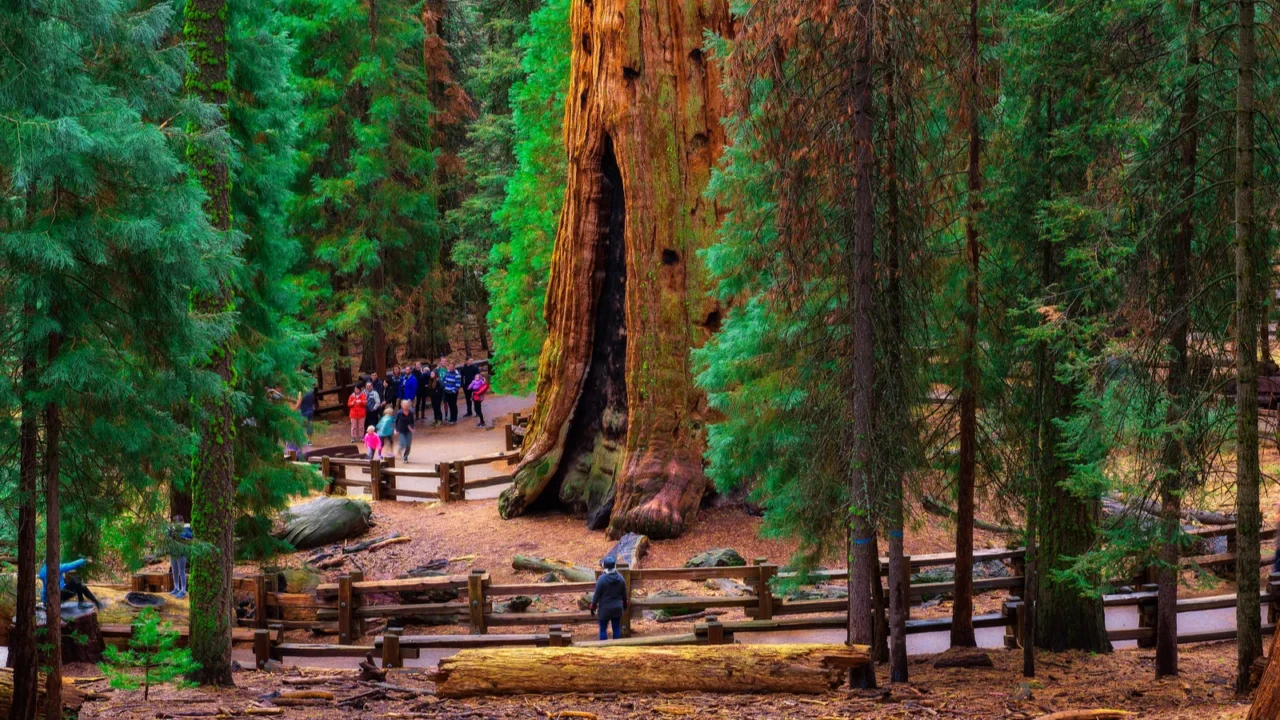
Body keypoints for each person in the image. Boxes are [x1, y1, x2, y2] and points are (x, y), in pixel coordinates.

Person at [589, 555, 629, 641]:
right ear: (614, 565)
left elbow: (596, 596)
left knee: (603, 629)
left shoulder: (601, 579)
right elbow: (624, 595)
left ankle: (604, 649)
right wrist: (625, 605)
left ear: (604, 566)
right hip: (617, 608)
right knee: (616, 628)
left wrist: (593, 607)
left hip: (604, 609)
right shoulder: (620, 578)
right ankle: (616, 649)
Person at [168, 515, 192, 599]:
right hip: (173, 552)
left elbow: (190, 535)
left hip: (182, 552)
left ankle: (183, 590)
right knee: (174, 571)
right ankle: (176, 588)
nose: (177, 523)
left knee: (181, 571)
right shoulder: (172, 528)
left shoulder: (187, 527)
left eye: (179, 521)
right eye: (176, 522)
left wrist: (180, 534)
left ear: (182, 521)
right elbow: (168, 537)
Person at [430, 362, 446, 426]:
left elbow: (442, 387)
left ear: (435, 374)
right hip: (433, 397)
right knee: (434, 408)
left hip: (438, 397)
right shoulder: (430, 381)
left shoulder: (438, 380)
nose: (431, 374)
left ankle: (440, 419)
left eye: (432, 373)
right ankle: (436, 419)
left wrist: (437, 391)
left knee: (438, 408)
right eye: (431, 373)